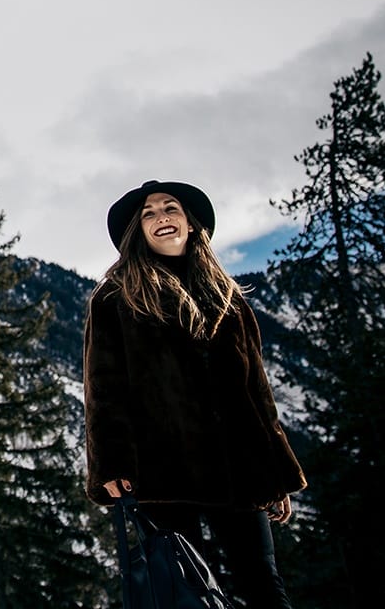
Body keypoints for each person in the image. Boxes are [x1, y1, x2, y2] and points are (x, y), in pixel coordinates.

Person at [83, 180, 307, 608]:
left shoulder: (229, 299)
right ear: (138, 231)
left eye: (171, 208)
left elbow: (257, 394)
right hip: (162, 471)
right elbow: (103, 390)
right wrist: (110, 465)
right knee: (183, 593)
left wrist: (276, 474)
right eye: (148, 213)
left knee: (264, 584)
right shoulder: (115, 298)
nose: (161, 217)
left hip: (238, 468)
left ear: (190, 224)